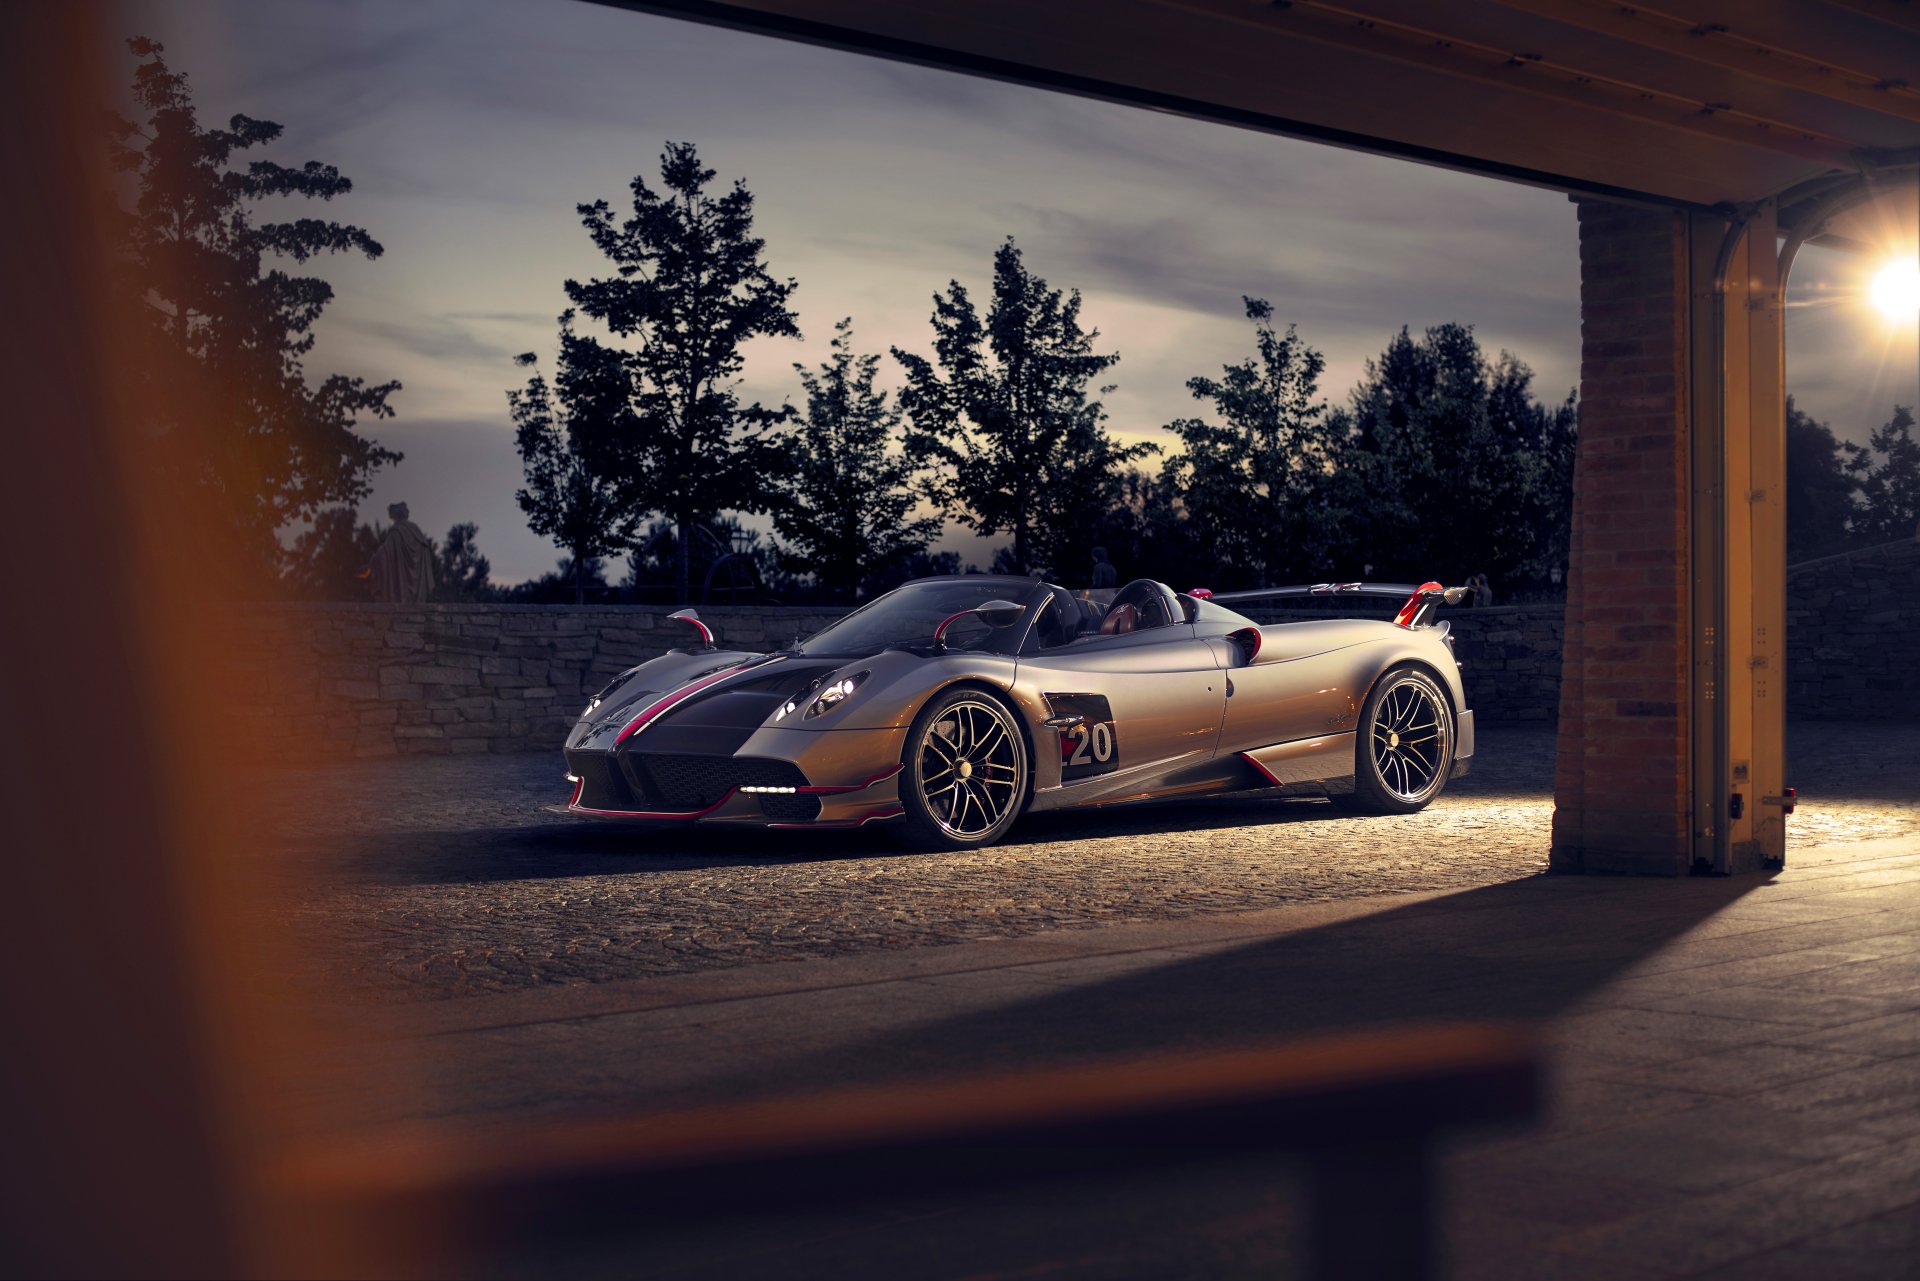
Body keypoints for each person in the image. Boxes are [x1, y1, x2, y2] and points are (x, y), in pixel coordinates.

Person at [369, 501, 436, 603]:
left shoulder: (396, 533)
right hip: (419, 593)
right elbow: (425, 554)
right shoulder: (416, 531)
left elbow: (383, 554)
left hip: (401, 594)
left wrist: (372, 561)